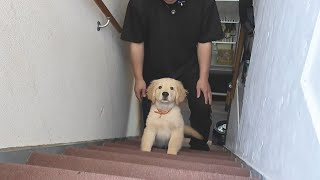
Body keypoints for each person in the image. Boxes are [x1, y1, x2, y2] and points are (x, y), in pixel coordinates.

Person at [121, 0, 223, 151]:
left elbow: (204, 42)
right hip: (153, 65)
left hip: (188, 64)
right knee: (151, 116)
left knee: (202, 102)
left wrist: (203, 78)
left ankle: (199, 144)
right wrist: (139, 78)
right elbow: (136, 42)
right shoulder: (139, 3)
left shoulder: (204, 3)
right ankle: (156, 150)